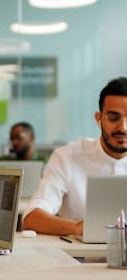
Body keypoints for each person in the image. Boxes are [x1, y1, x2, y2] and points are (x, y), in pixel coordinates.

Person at [22, 77, 127, 236]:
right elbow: (32, 218)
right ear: (99, 120)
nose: (123, 128)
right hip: (80, 259)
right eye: (113, 118)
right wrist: (77, 228)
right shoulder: (67, 157)